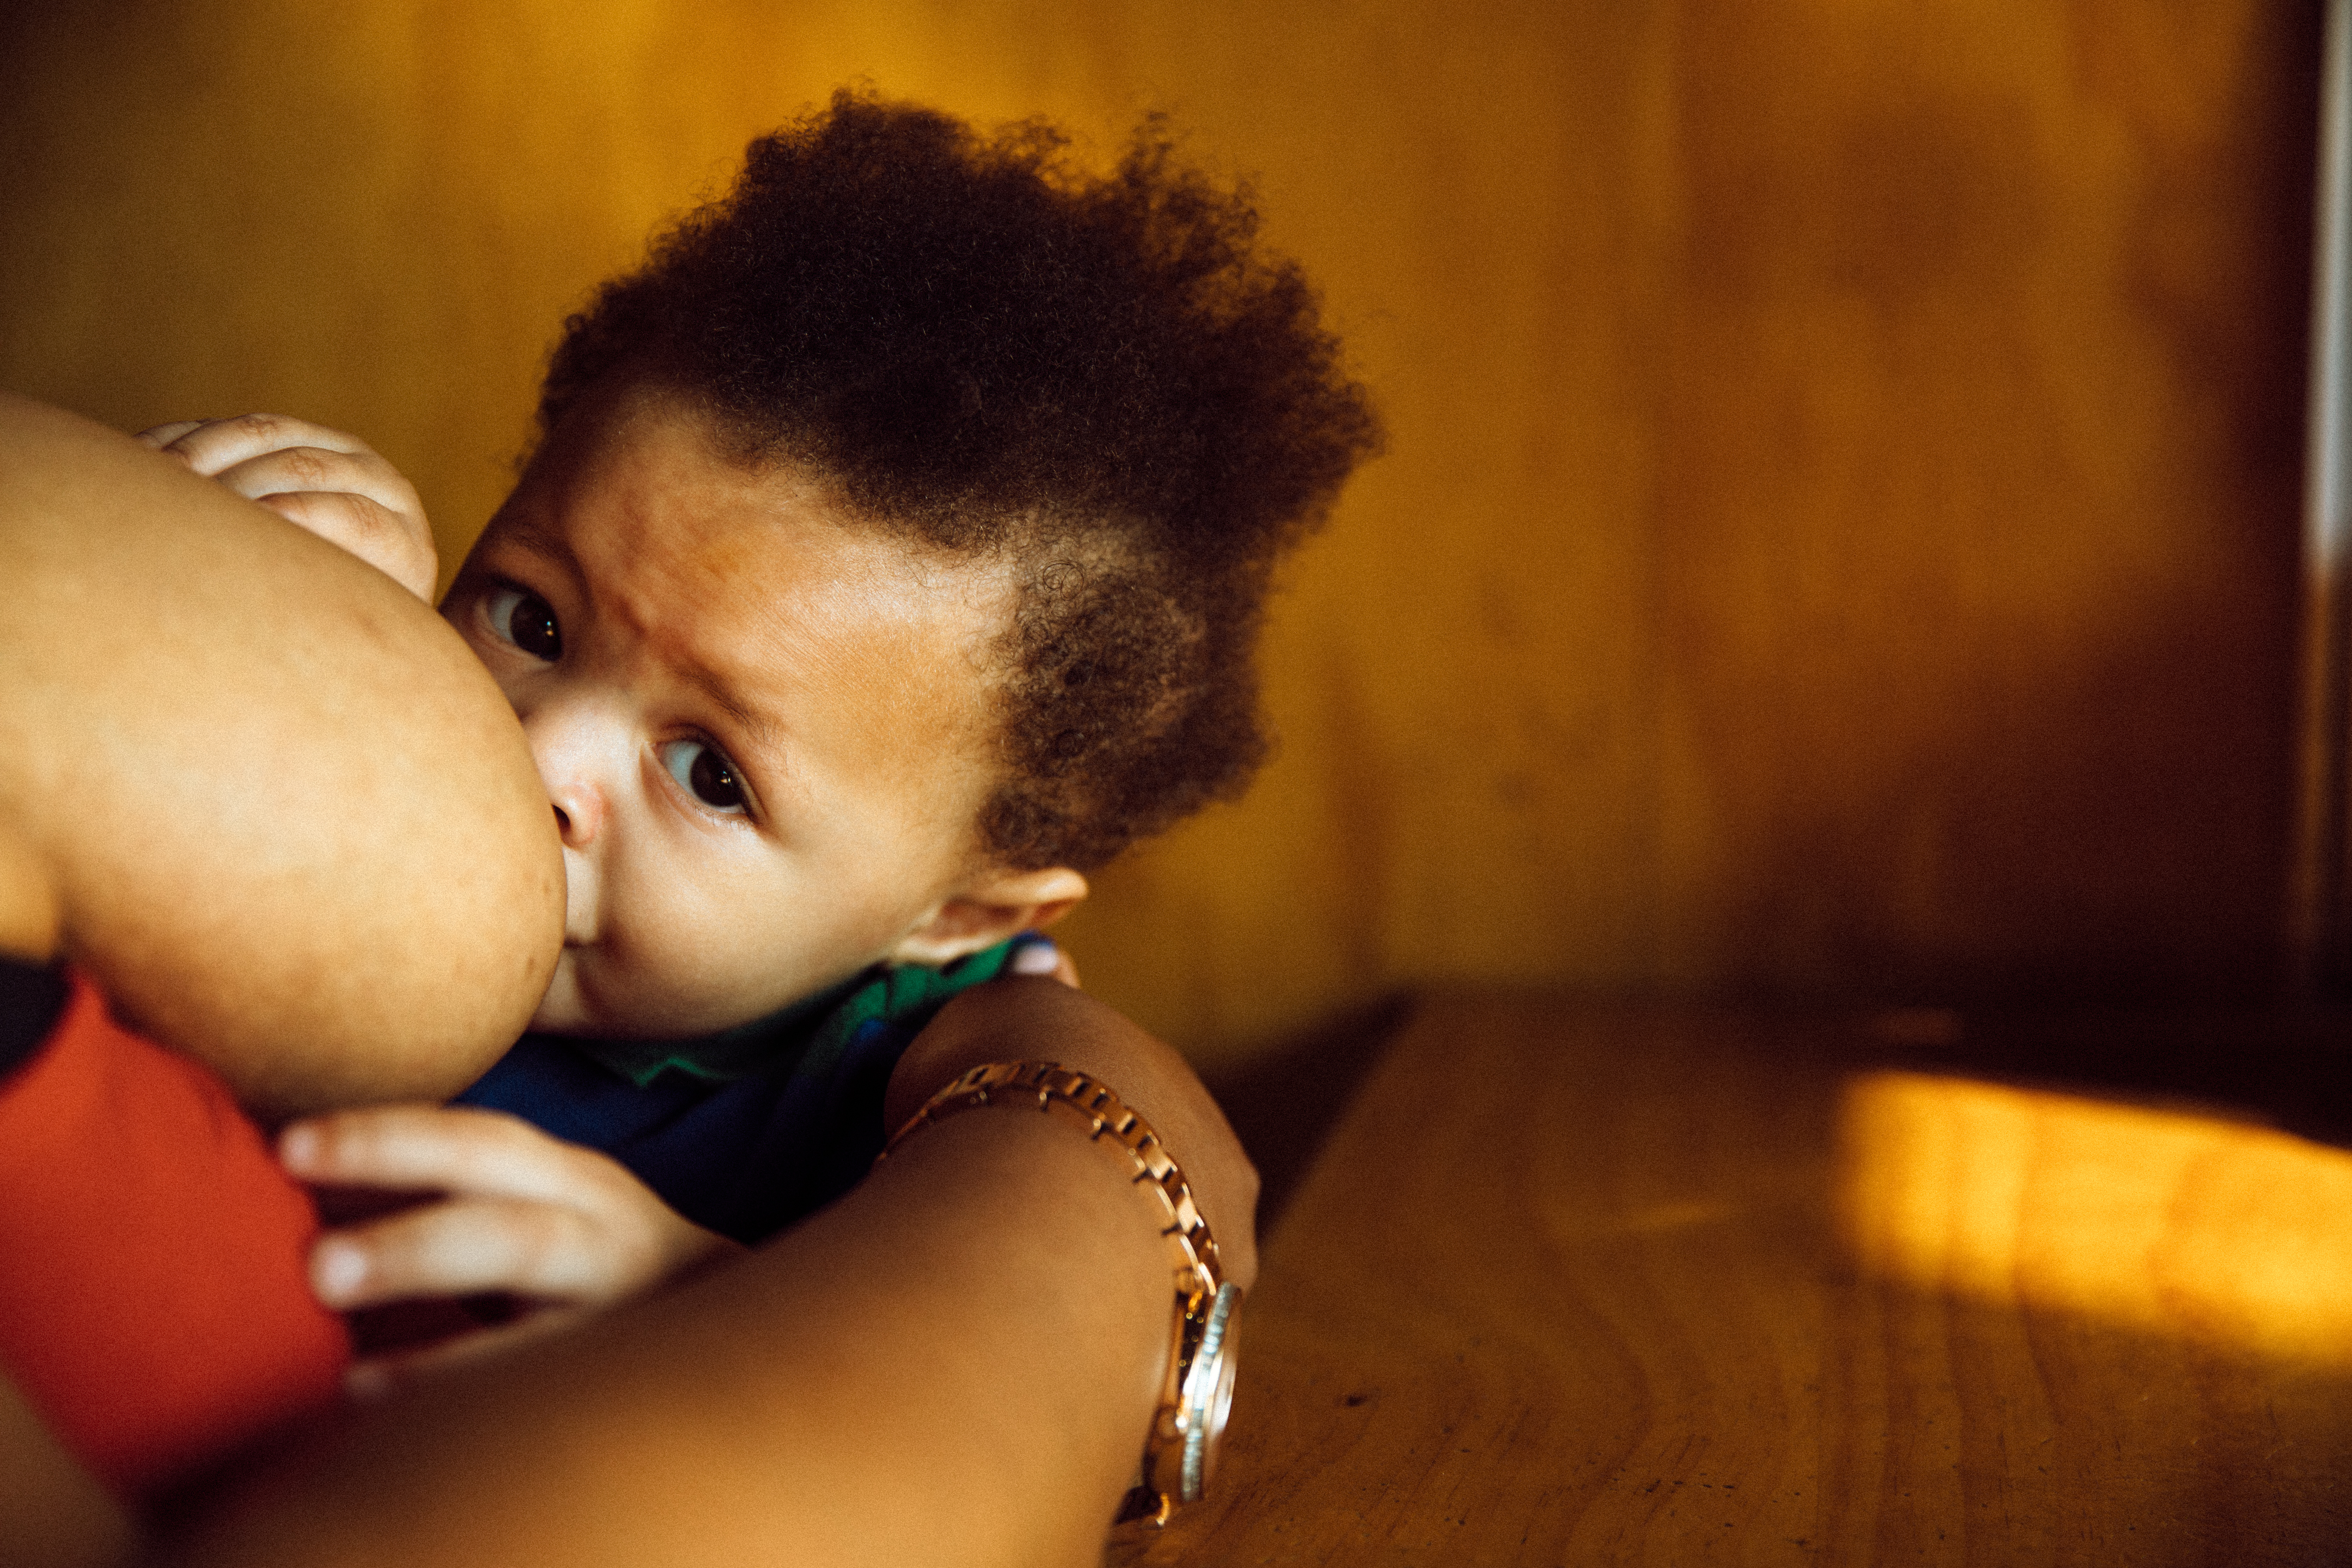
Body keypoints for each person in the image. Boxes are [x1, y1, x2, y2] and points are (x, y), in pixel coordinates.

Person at [6, 90, 1379, 1564]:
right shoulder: (388, 776)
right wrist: (278, 593)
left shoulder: (894, 1089)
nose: (539, 752)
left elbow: (929, 1338)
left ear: (961, 914)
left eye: (712, 774)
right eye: (530, 613)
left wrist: (697, 1282)